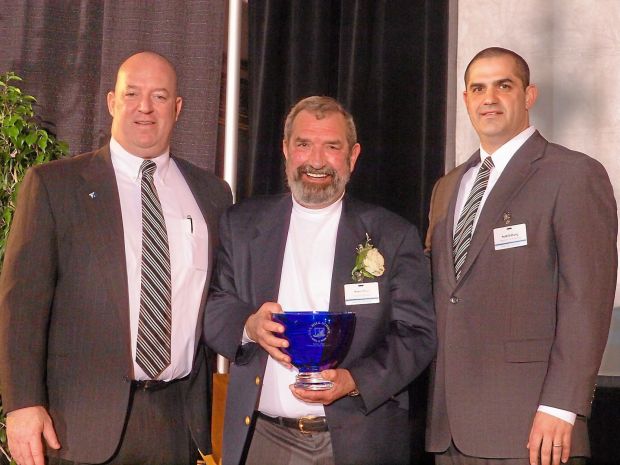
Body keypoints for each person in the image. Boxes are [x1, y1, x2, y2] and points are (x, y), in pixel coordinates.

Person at [0, 51, 232, 465]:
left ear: (177, 109)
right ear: (111, 102)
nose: (145, 107)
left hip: (176, 424)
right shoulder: (56, 186)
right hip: (76, 426)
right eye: (132, 94)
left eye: (160, 96)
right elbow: (23, 304)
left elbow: (215, 299)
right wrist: (21, 405)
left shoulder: (212, 195)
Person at [204, 96, 436, 465]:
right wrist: (248, 326)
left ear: (353, 156)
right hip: (262, 439)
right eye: (303, 144)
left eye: (332, 147)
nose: (316, 160)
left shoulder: (392, 235)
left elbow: (417, 334)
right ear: (285, 150)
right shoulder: (242, 224)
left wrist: (354, 380)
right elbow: (216, 307)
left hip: (358, 443)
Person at [425, 47, 617, 465]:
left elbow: (587, 300)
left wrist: (561, 406)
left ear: (529, 95)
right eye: (478, 88)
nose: (489, 98)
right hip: (450, 430)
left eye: (503, 86)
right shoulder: (448, 187)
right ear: (466, 100)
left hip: (534, 431)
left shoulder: (573, 174)